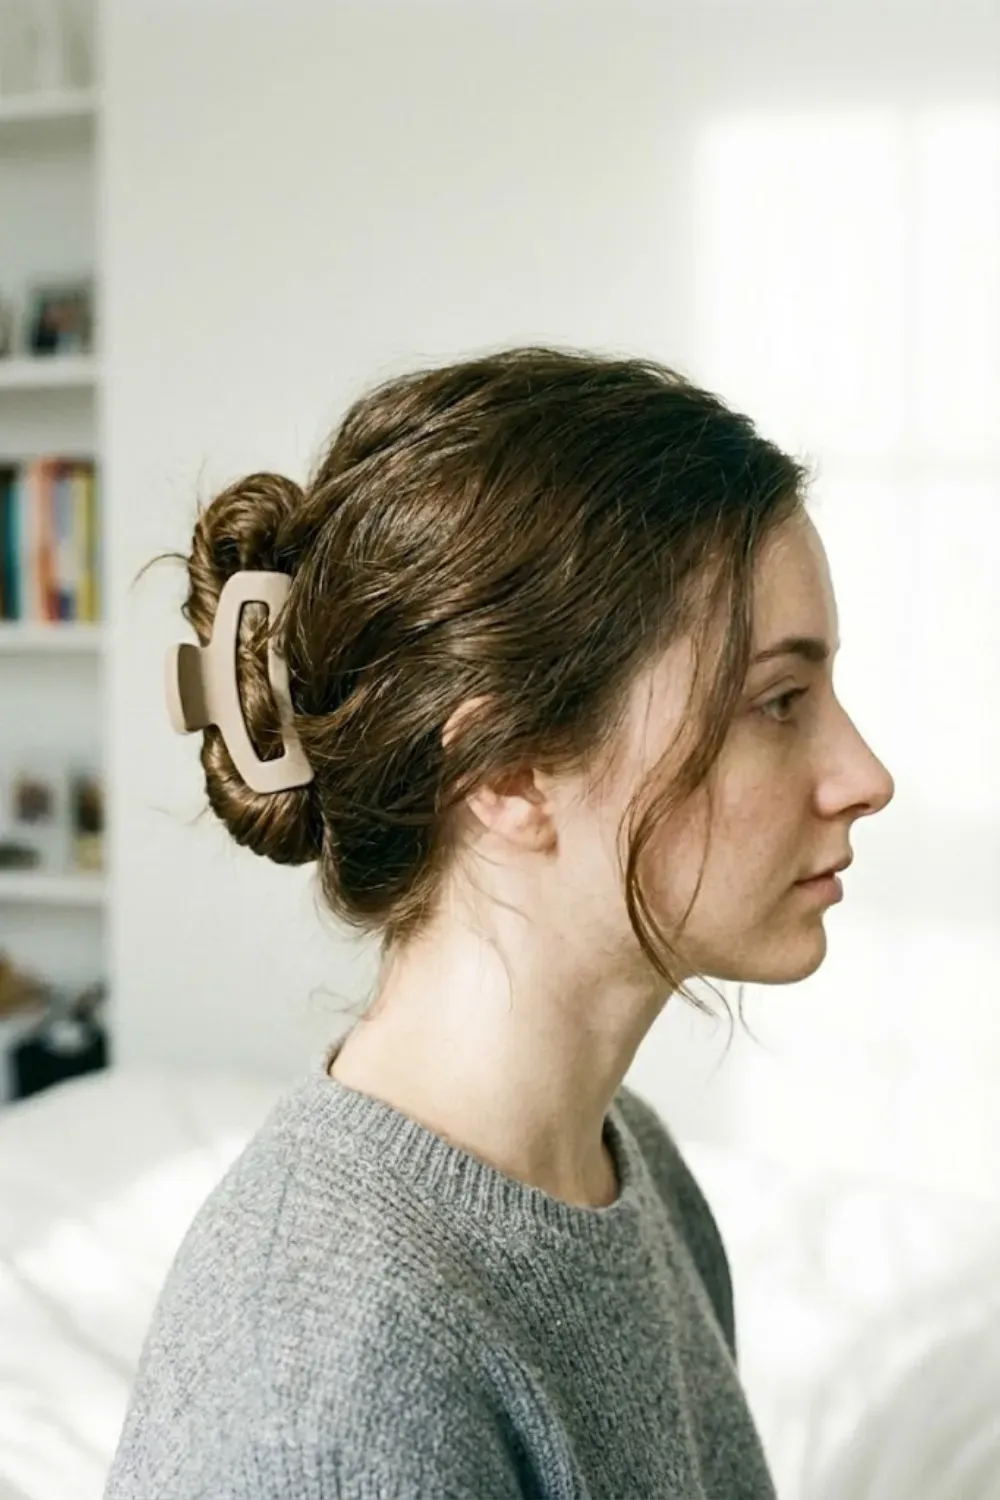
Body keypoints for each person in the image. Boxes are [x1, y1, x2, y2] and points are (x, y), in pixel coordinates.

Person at [105, 347, 894, 1499]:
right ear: (510, 770)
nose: (862, 774)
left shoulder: (633, 1169)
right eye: (777, 702)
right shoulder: (332, 1379)